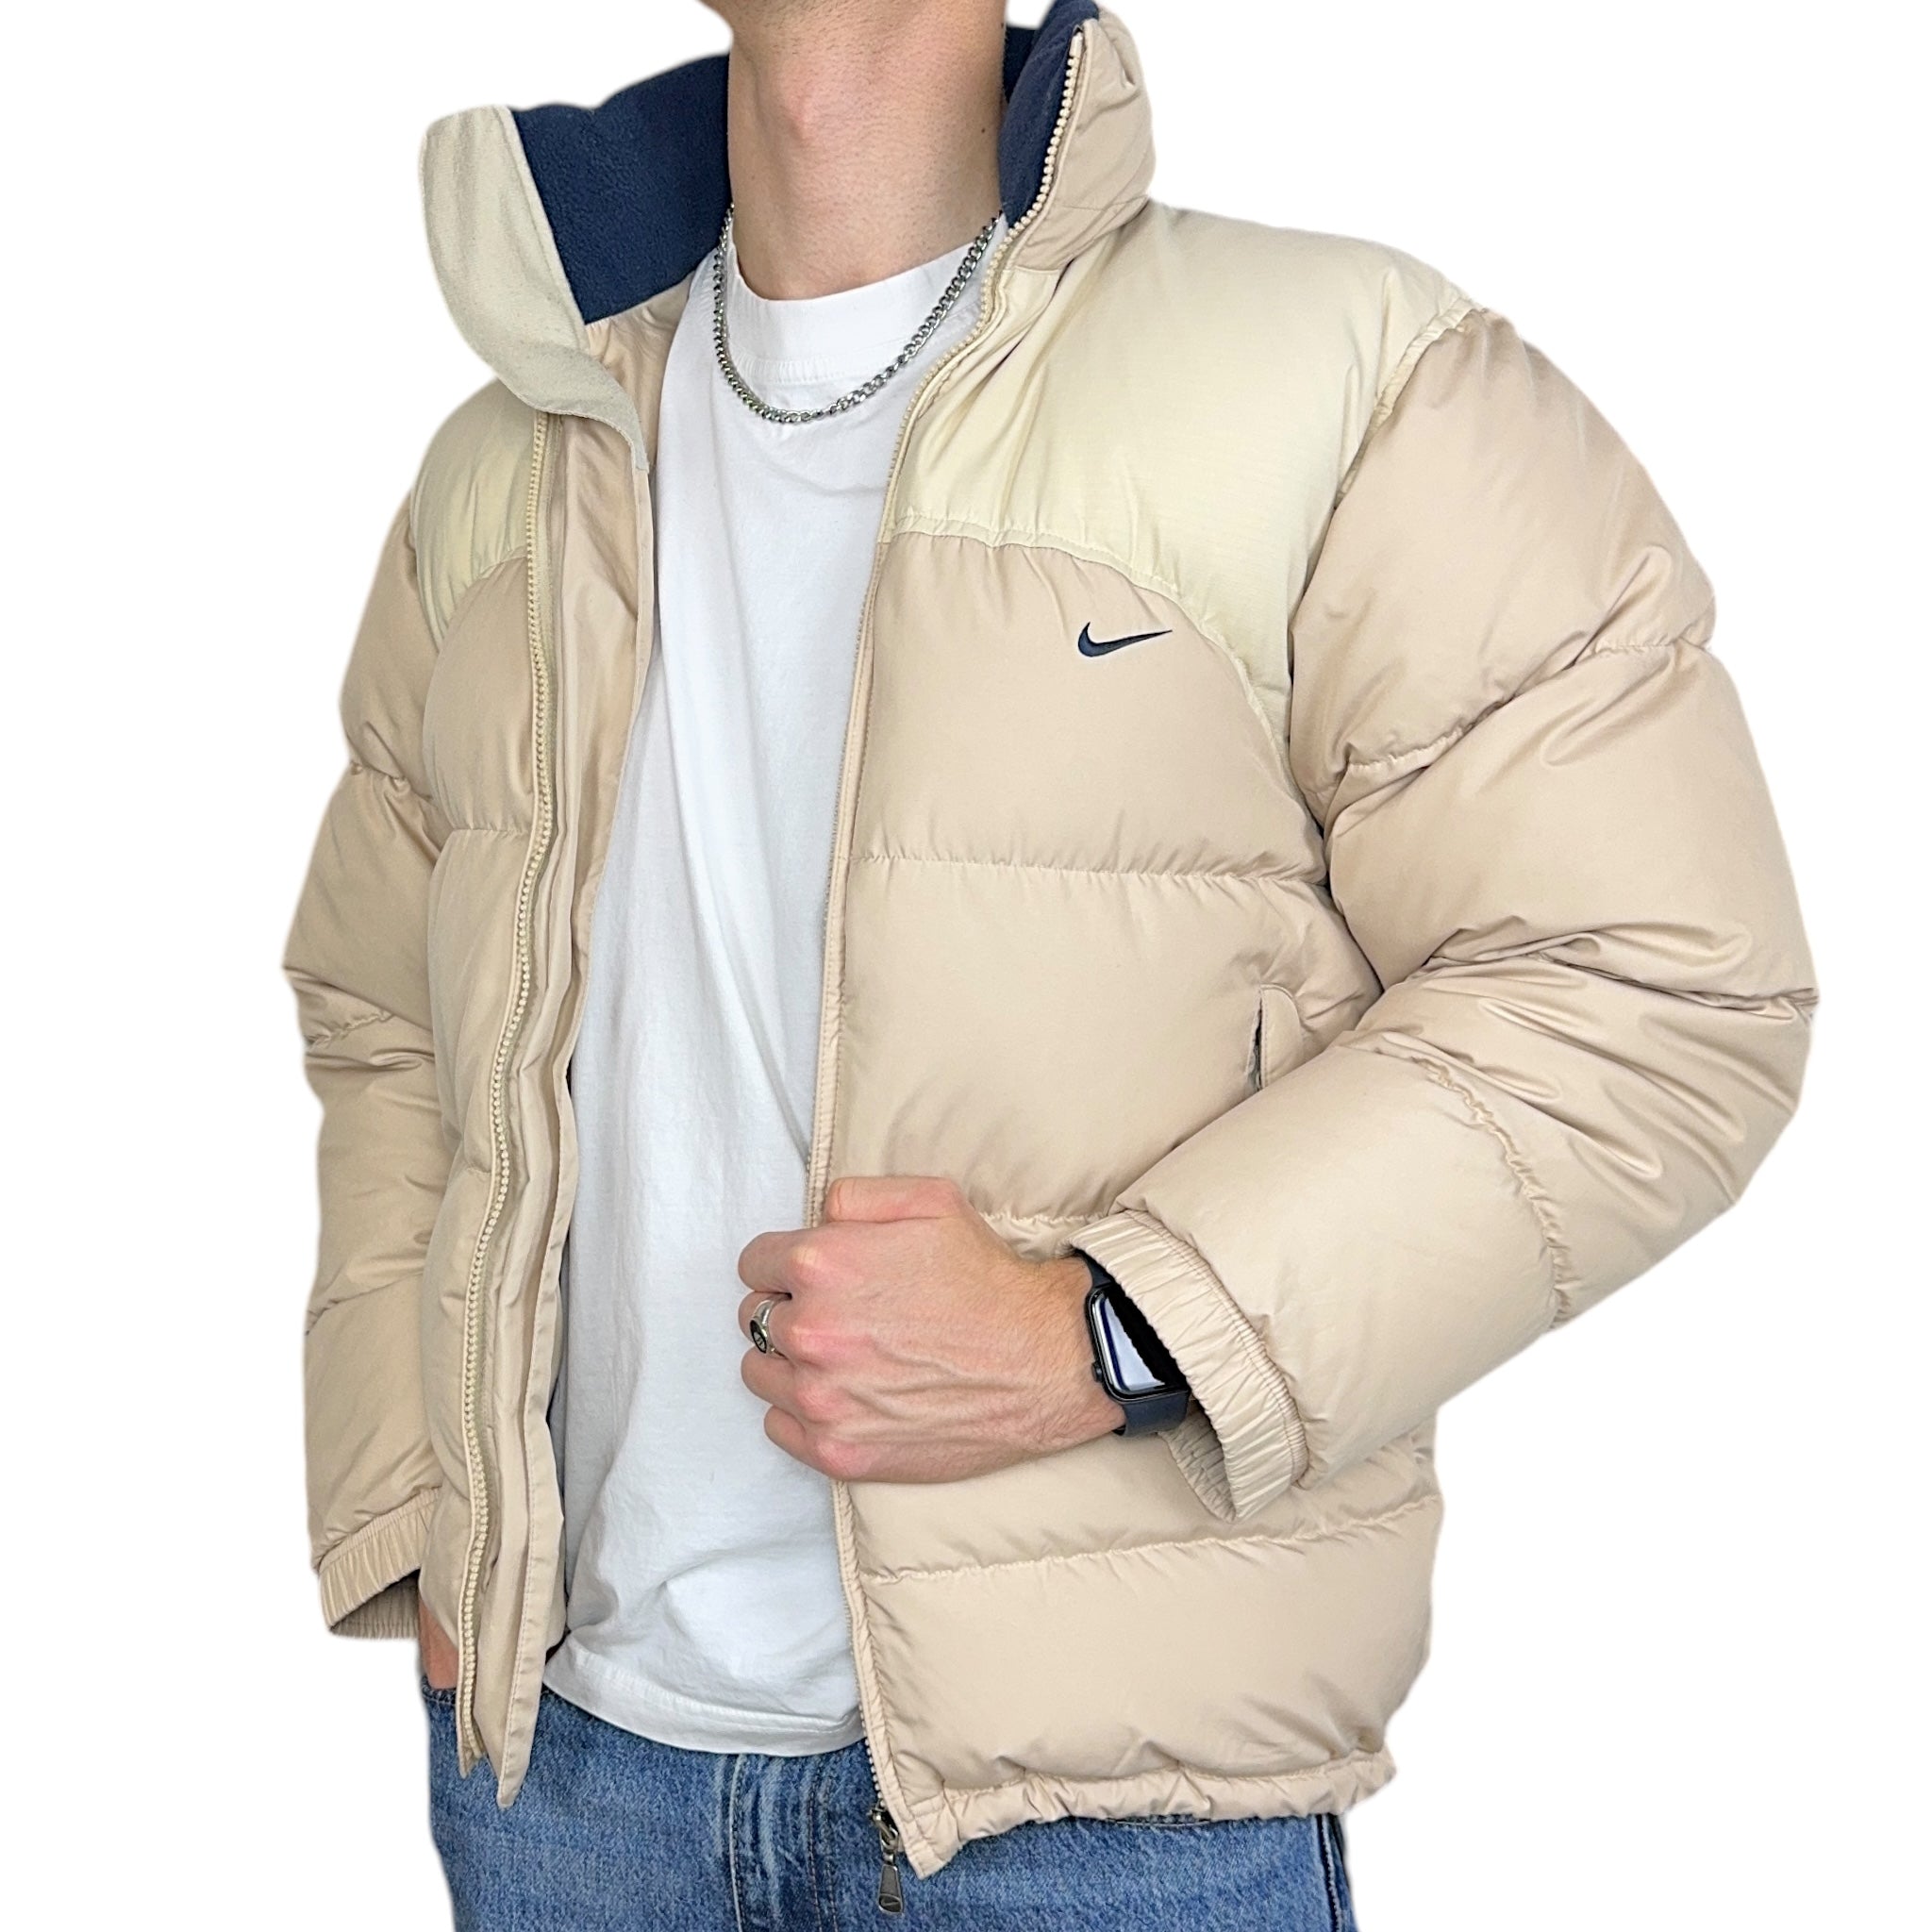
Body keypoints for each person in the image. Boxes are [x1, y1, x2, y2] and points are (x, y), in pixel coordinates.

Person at [282, 1, 1816, 1924]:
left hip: (1102, 1817)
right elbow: (388, 1019)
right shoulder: (512, 457)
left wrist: (1113, 1330)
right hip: (571, 1790)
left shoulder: (1347, 378)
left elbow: (1654, 983)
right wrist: (418, 1504)